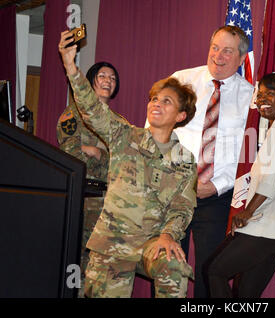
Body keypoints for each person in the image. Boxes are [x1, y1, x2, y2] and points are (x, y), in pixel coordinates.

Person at [58, 30, 198, 298]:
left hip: (151, 243)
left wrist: (169, 235)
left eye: (166, 101)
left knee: (175, 266)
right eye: (154, 99)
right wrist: (70, 65)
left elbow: (182, 207)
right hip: (112, 242)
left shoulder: (185, 160)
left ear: (180, 115)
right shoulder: (124, 134)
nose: (156, 104)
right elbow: (92, 110)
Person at [145, 25, 254, 297]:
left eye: (227, 51)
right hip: (172, 192)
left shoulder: (252, 97)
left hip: (215, 198)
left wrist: (217, 186)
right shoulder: (181, 81)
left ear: (241, 59)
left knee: (210, 270)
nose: (218, 55)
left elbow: (249, 155)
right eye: (214, 47)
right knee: (165, 263)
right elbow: (154, 129)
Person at [207, 73, 275, 297]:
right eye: (260, 93)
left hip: (271, 226)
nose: (262, 98)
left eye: (270, 93)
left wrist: (248, 212)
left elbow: (272, 178)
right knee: (246, 294)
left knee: (215, 271)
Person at [56, 61, 119, 298]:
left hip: (111, 202)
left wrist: (95, 152)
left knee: (104, 265)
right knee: (77, 261)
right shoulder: (73, 114)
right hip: (82, 198)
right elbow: (71, 154)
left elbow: (124, 162)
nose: (107, 81)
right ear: (91, 80)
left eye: (112, 78)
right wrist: (105, 157)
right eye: (102, 75)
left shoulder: (119, 122)